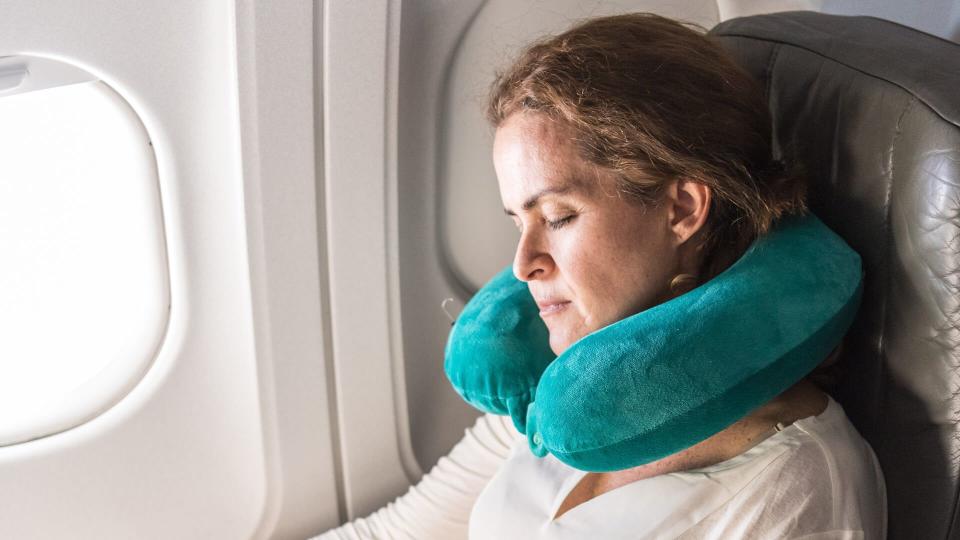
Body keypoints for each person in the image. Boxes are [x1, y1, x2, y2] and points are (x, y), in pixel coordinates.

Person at [317, 12, 886, 540]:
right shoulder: (550, 387)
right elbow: (392, 534)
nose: (523, 265)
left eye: (558, 217)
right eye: (518, 221)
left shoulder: (795, 484)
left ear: (682, 209)